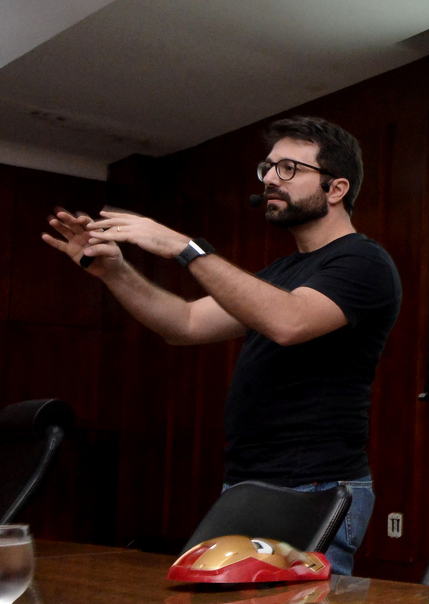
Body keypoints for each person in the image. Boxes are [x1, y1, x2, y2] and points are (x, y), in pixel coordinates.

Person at [42, 116, 402, 575]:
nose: (270, 179)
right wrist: (113, 272)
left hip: (314, 486)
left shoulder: (364, 261)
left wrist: (183, 247)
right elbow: (185, 323)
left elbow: (289, 321)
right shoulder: (281, 272)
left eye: (289, 168)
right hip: (247, 483)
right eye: (268, 167)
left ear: (336, 189)